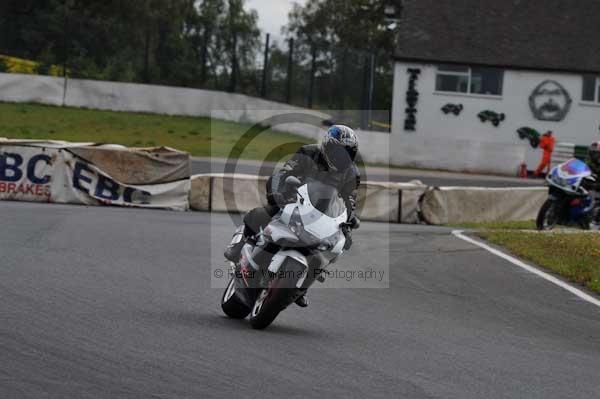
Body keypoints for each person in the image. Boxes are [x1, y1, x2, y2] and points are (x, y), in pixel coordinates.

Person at [224, 125, 361, 307]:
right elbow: (284, 173)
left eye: (347, 154)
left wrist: (349, 221)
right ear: (327, 146)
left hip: (322, 216)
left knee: (340, 246)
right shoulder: (308, 153)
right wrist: (277, 193)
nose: (341, 158)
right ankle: (238, 244)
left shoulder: (352, 173)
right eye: (338, 152)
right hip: (294, 199)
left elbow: (349, 200)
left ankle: (301, 287)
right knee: (260, 214)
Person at [585, 141, 600, 230]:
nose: (593, 155)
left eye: (595, 153)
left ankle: (596, 221)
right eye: (592, 152)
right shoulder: (589, 160)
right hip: (590, 183)